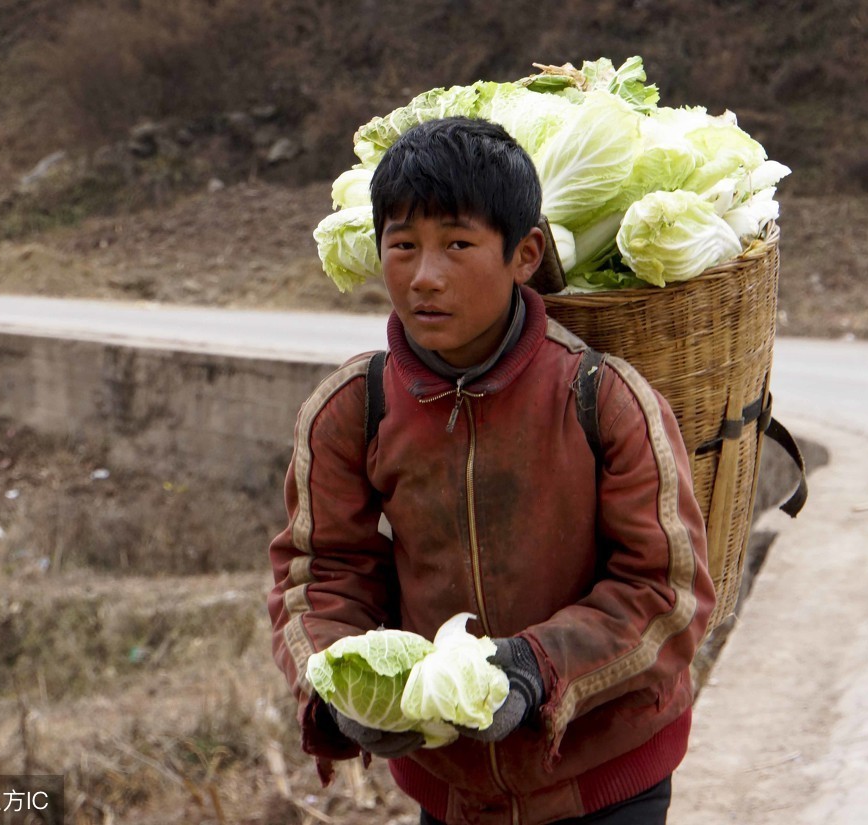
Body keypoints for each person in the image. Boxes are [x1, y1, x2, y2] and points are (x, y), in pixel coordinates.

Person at [268, 116, 715, 825]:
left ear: (525, 253)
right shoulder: (353, 408)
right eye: (403, 246)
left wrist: (535, 668)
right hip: (452, 787)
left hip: (605, 775)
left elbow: (666, 590)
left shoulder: (606, 398)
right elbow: (320, 574)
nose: (424, 276)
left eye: (457, 245)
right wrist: (338, 691)